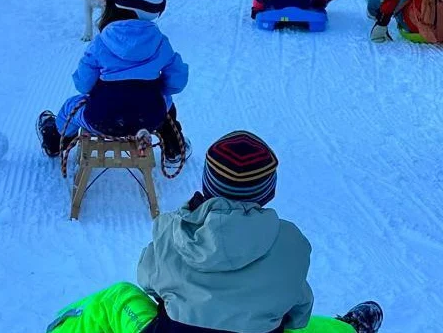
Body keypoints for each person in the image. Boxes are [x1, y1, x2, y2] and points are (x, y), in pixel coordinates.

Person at [44, 131, 385, 333]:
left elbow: (148, 282)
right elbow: (298, 313)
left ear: (207, 184)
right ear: (269, 191)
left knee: (117, 297)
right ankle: (350, 328)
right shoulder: (291, 243)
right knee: (306, 330)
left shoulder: (170, 229)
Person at [38, 0, 189, 164]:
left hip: (101, 120)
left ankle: (54, 142)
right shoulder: (161, 43)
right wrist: (154, 91)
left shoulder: (100, 43)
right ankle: (174, 146)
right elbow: (178, 81)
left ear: (115, 9)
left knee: (71, 106)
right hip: (149, 119)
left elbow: (83, 85)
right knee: (166, 101)